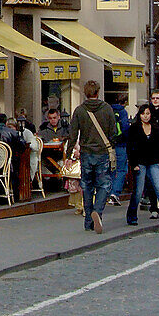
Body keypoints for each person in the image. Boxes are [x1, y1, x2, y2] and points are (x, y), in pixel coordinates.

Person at [67, 80, 117, 234]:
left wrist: (69, 154)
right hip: (102, 152)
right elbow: (113, 132)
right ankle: (97, 211)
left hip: (86, 153)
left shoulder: (80, 110)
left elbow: (73, 134)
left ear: (85, 93)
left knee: (87, 185)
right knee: (104, 185)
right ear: (98, 92)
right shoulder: (107, 108)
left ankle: (88, 220)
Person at [125, 103, 159, 231]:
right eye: (143, 114)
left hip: (154, 162)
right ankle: (131, 216)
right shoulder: (134, 128)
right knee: (138, 191)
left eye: (148, 114)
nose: (146, 116)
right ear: (140, 115)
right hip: (140, 163)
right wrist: (134, 164)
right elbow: (130, 148)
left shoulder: (155, 128)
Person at [108, 92, 130, 206]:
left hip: (109, 144)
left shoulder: (108, 110)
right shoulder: (123, 112)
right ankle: (115, 193)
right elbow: (125, 128)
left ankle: (108, 192)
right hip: (121, 144)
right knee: (122, 169)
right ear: (125, 102)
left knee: (112, 168)